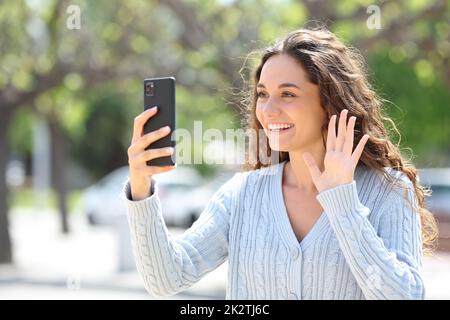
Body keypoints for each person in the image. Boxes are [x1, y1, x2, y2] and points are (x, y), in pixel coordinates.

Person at [122, 27, 438, 300]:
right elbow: (166, 279)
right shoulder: (242, 194)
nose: (268, 110)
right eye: (262, 94)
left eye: (287, 94)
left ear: (330, 102)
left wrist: (343, 203)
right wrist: (140, 187)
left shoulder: (389, 190)